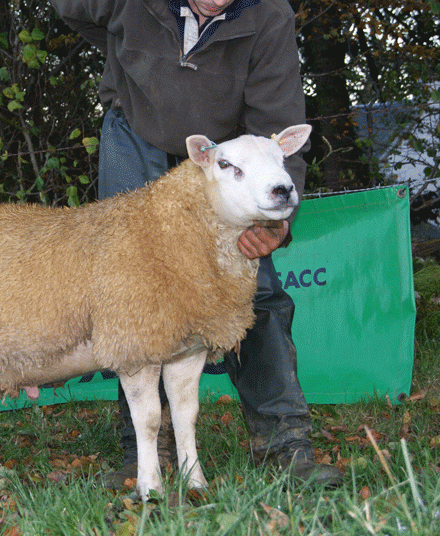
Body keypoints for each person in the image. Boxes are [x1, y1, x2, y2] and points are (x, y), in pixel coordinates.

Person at [50, 0, 343, 488]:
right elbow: (71, 10)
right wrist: (123, 57)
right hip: (135, 137)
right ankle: (142, 455)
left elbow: (278, 116)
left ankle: (284, 445)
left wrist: (274, 218)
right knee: (129, 295)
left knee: (256, 287)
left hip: (226, 154)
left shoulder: (268, 17)